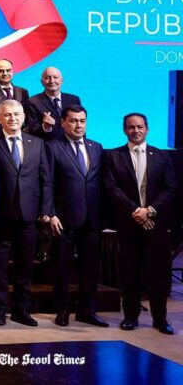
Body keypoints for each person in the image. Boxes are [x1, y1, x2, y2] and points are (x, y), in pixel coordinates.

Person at [104, 112, 177, 335]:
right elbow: (111, 187)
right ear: (124, 130)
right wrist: (136, 211)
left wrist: (150, 211)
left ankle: (160, 319)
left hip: (156, 225)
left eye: (139, 127)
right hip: (128, 224)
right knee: (130, 273)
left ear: (147, 129)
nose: (135, 130)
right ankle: (130, 317)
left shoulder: (162, 155)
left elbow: (170, 188)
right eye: (131, 127)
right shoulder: (113, 156)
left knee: (158, 274)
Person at [0, 99, 53, 327]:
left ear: (24, 117)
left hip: (29, 215)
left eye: (16, 114)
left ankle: (21, 310)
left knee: (25, 265)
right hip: (1, 215)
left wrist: (46, 209)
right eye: (7, 115)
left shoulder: (37, 143)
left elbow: (46, 180)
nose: (12, 118)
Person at [47, 105, 107, 328]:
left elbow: (102, 183)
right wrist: (51, 213)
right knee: (62, 267)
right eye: (73, 121)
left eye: (82, 121)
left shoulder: (96, 147)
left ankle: (87, 311)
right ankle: (62, 310)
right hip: (63, 218)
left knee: (89, 268)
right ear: (63, 122)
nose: (78, 125)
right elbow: (47, 183)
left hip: (92, 218)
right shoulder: (52, 147)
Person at [25, 67, 82, 141]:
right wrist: (46, 127)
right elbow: (33, 131)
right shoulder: (33, 102)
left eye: (55, 77)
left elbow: (80, 125)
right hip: (48, 145)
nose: (52, 81)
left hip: (72, 144)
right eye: (47, 78)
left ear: (62, 80)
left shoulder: (74, 100)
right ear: (42, 82)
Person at [0, 58, 28, 128]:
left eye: (8, 70)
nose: (5, 73)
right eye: (0, 71)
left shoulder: (23, 92)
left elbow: (27, 117)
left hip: (20, 132)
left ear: (12, 72)